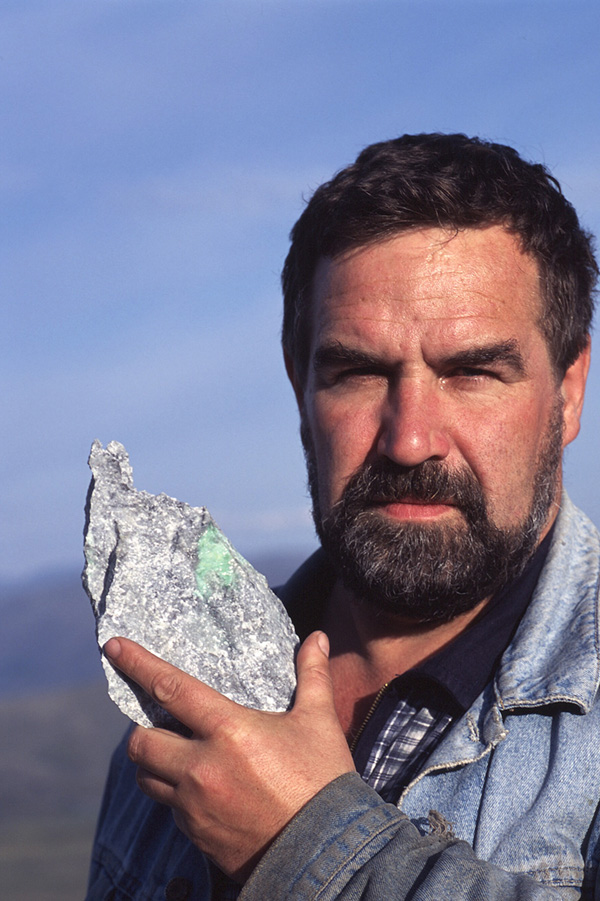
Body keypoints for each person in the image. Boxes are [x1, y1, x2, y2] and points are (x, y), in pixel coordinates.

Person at [87, 133, 600, 900]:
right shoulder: (178, 704)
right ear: (301, 389)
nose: (410, 438)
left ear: (566, 394)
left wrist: (309, 842)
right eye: (358, 372)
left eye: (472, 372)